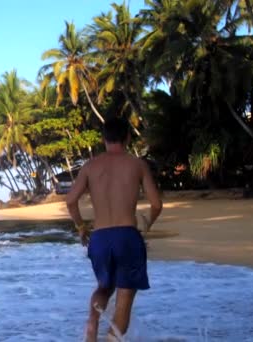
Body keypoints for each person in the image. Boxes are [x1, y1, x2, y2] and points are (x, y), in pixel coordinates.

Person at [66, 117, 162, 341]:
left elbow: (71, 201)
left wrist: (81, 227)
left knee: (103, 288)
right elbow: (156, 205)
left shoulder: (90, 167)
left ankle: (91, 329)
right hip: (127, 236)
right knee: (124, 299)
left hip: (99, 238)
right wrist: (148, 222)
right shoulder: (137, 164)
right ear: (127, 137)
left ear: (103, 139)